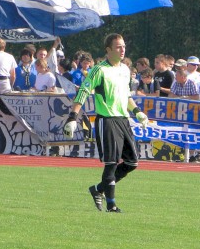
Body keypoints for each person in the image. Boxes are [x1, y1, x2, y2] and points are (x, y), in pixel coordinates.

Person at [63, 33, 148, 213]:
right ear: (108, 50)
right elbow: (83, 93)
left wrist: (138, 112)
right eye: (118, 46)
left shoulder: (125, 70)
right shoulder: (99, 70)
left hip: (123, 119)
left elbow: (126, 96)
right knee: (111, 162)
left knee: (132, 162)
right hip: (106, 120)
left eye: (123, 46)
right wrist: (72, 118)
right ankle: (111, 204)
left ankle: (98, 189)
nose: (122, 49)